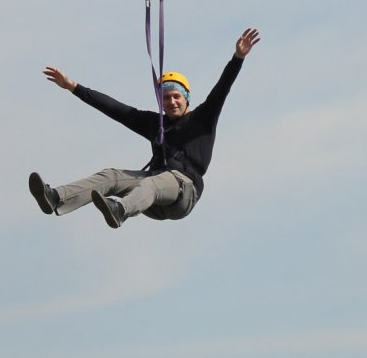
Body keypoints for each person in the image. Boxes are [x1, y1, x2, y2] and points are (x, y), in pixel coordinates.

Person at [29, 28, 261, 227]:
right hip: (152, 198)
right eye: (166, 98)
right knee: (112, 176)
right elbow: (115, 109)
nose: (171, 102)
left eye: (176, 97)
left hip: (183, 191)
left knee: (152, 182)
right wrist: (74, 87)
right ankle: (57, 197)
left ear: (186, 98)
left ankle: (120, 211)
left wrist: (238, 57)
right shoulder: (155, 124)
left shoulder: (203, 118)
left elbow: (222, 88)